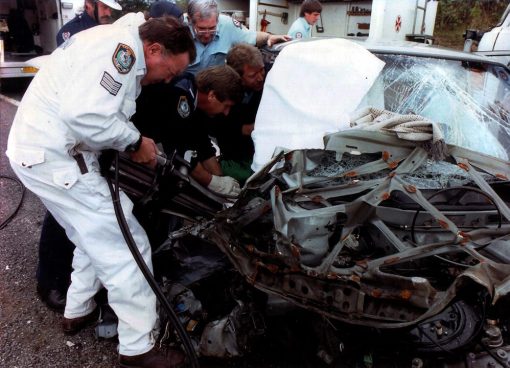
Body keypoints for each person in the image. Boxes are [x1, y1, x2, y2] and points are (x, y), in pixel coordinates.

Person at [7, 13, 196, 368]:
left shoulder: (110, 41)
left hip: (39, 153)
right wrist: (135, 141)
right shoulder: (120, 50)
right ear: (153, 49)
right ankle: (139, 348)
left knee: (90, 236)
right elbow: (86, 117)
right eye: (170, 71)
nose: (167, 79)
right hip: (56, 158)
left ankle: (77, 310)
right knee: (128, 244)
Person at [134, 65, 243, 196]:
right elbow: (180, 151)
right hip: (125, 143)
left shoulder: (194, 95)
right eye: (226, 106)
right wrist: (212, 182)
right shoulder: (179, 94)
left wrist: (219, 176)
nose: (226, 113)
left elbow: (200, 139)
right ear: (212, 96)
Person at [209, 43, 266, 184]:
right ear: (236, 76)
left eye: (262, 71)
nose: (260, 78)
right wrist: (241, 129)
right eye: (253, 75)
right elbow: (212, 126)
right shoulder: (221, 92)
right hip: (235, 158)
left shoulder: (271, 80)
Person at [185, 0, 290, 74]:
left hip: (215, 93)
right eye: (202, 29)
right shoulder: (180, 28)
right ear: (190, 21)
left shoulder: (227, 24)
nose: (207, 34)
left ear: (217, 19)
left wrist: (269, 37)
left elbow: (252, 37)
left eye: (212, 28)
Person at [56, 0, 121, 46]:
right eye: (104, 7)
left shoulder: (109, 27)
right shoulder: (71, 31)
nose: (109, 13)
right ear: (88, 6)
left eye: (110, 8)